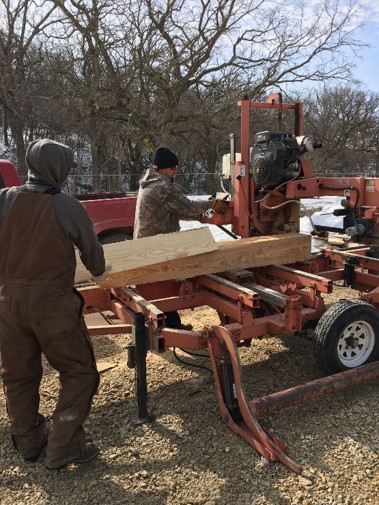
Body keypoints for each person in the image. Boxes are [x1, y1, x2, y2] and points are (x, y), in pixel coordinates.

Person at [0, 139, 110, 470]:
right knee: (80, 373)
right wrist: (98, 270)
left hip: (7, 304)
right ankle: (63, 447)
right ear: (59, 169)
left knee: (18, 375)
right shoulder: (67, 206)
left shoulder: (4, 198)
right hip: (52, 306)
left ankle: (30, 443)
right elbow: (96, 261)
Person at [133, 147, 228, 329]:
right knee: (163, 286)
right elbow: (188, 206)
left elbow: (176, 210)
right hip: (157, 246)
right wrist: (214, 204)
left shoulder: (150, 182)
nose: (175, 171)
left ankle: (172, 324)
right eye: (174, 168)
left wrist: (203, 215)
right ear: (164, 168)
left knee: (161, 286)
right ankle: (171, 327)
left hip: (150, 243)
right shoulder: (162, 186)